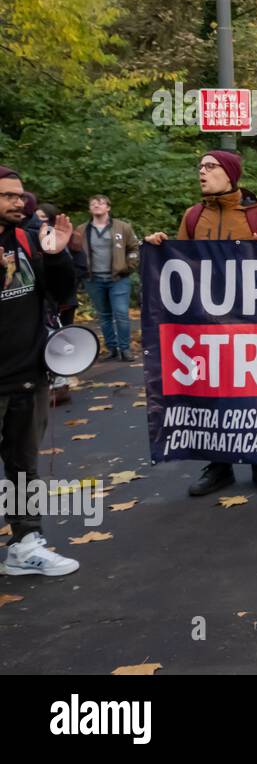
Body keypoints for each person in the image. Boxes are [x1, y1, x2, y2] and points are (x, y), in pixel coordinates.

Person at [144, 150, 257, 496]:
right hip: (204, 323)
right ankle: (218, 466)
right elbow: (180, 265)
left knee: (252, 391)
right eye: (200, 167)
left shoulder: (256, 215)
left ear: (230, 174)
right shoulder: (193, 216)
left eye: (210, 167)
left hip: (249, 322)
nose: (202, 173)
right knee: (209, 392)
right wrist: (160, 248)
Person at [0, 165, 81, 577]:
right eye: (9, 196)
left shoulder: (29, 240)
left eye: (21, 194)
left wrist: (59, 255)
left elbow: (63, 295)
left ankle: (24, 543)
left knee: (23, 466)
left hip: (28, 373)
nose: (20, 202)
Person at [76, 195, 139, 361]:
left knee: (121, 314)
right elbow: (75, 252)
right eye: (93, 203)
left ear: (108, 208)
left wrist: (129, 266)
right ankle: (112, 348)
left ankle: (125, 349)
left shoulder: (122, 227)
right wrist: (81, 271)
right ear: (89, 209)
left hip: (118, 278)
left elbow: (133, 247)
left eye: (101, 202)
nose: (96, 205)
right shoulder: (82, 230)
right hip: (93, 279)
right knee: (104, 315)